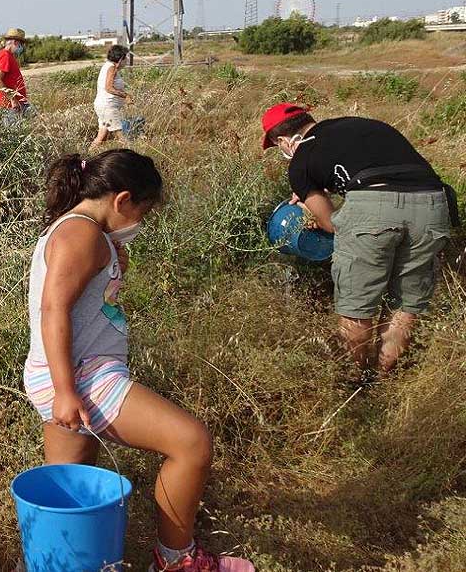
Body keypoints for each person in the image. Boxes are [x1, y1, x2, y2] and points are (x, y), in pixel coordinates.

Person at [25, 150, 251, 571]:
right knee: (192, 444)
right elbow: (52, 309)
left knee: (68, 492)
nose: (140, 223)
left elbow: (80, 302)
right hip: (81, 376)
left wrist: (111, 264)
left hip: (62, 373)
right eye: (142, 212)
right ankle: (176, 561)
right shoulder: (82, 235)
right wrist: (65, 391)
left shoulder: (84, 232)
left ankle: (59, 562)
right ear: (122, 200)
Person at [260, 104, 458, 375]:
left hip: (373, 209)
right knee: (406, 304)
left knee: (357, 309)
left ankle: (362, 380)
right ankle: (387, 379)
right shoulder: (362, 125)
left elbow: (331, 224)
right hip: (434, 203)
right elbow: (381, 173)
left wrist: (310, 206)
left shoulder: (300, 161)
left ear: (283, 141)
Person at [91, 45, 132, 150]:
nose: (127, 60)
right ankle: (131, 160)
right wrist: (125, 96)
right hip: (108, 107)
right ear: (120, 59)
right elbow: (108, 88)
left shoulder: (108, 66)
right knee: (123, 137)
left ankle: (86, 157)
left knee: (101, 138)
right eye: (125, 57)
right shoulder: (112, 68)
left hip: (102, 107)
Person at [0, 27, 29, 121]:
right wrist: (12, 99)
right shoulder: (5, 56)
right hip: (10, 106)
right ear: (16, 42)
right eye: (21, 44)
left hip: (17, 104)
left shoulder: (9, 56)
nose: (21, 48)